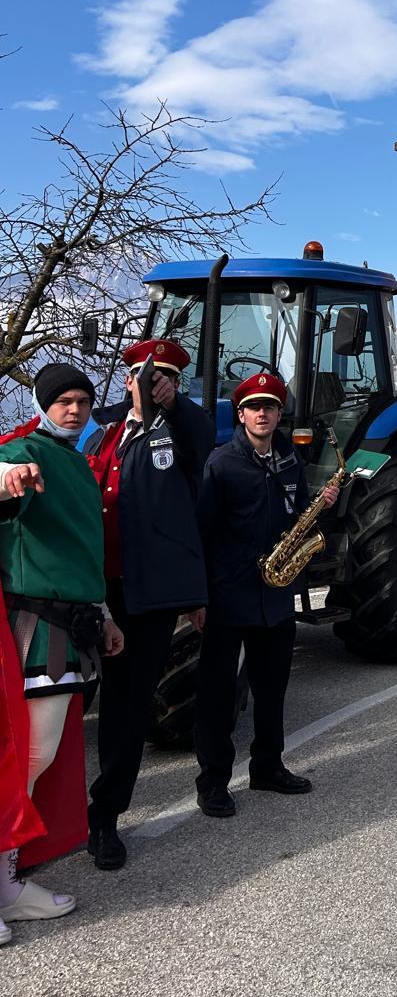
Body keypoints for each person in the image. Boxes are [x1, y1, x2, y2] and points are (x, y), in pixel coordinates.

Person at [0, 363, 123, 942]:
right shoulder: (26, 449)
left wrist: (103, 616)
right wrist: (6, 476)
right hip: (35, 629)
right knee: (24, 759)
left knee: (37, 759)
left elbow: (81, 553)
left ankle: (7, 883)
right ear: (42, 403)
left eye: (82, 400)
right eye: (63, 400)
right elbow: (3, 479)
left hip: (74, 625)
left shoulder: (77, 462)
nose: (74, 409)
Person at [84, 338, 214, 871]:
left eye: (162, 376)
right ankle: (50, 819)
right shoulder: (105, 431)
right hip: (91, 588)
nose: (148, 381)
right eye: (140, 373)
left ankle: (105, 818)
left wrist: (172, 402)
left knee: (126, 708)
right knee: (65, 708)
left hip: (146, 595)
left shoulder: (180, 428)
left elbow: (201, 437)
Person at [192, 372, 337, 818]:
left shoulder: (290, 460)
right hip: (229, 595)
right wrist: (199, 597)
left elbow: (296, 515)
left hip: (274, 596)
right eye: (254, 407)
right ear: (241, 414)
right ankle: (213, 782)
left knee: (272, 689)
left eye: (270, 407)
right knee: (218, 695)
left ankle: (267, 767)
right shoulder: (220, 464)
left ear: (278, 414)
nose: (262, 413)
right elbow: (201, 533)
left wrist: (321, 503)